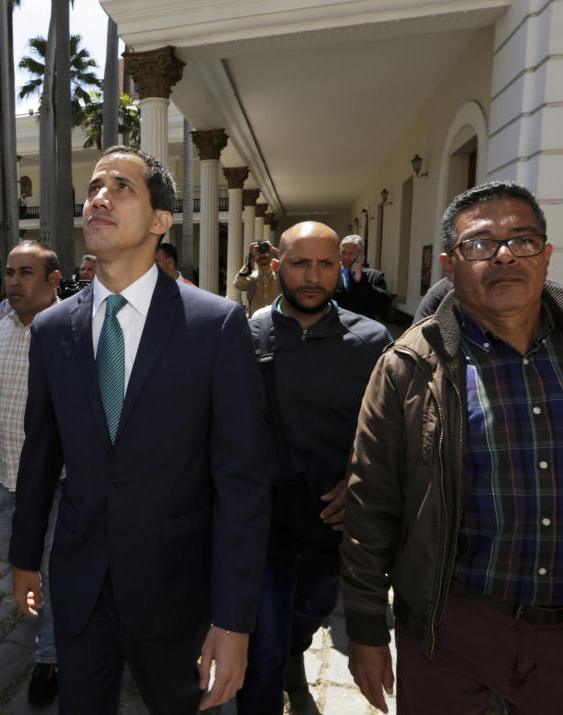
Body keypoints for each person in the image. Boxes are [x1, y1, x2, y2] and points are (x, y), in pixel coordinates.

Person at [9, 146, 272, 713]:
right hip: (79, 587)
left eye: (122, 187)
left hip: (175, 591)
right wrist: (25, 556)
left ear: (160, 221)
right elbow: (40, 452)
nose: (99, 197)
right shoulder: (54, 329)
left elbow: (242, 482)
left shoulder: (215, 325)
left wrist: (233, 620)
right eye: (94, 187)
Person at [342, 181, 563, 715]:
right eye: (481, 244)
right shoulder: (407, 366)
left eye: (523, 239)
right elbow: (371, 504)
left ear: (547, 254)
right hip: (452, 626)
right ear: (449, 265)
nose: (505, 254)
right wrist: (367, 628)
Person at [236, 222, 392, 715]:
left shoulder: (370, 341)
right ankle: (273, 674)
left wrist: (360, 483)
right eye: (301, 263)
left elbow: (390, 433)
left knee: (305, 617)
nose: (313, 276)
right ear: (277, 266)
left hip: (334, 526)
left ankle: (291, 661)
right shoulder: (245, 335)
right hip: (265, 524)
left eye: (326, 264)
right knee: (260, 646)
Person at [0, 240, 63, 707]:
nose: (13, 282)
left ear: (53, 280)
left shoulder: (74, 331)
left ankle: (50, 658)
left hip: (54, 484)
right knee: (12, 554)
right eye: (9, 272)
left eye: (26, 273)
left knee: (46, 567)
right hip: (6, 476)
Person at [333, 235, 392, 319]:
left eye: (350, 253)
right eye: (343, 252)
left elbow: (384, 305)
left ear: (360, 255)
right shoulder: (331, 274)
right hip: (335, 326)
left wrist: (362, 281)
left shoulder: (375, 276)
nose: (346, 257)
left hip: (364, 327)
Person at [234, 240, 280, 316]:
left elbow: (292, 272)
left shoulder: (279, 274)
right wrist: (250, 261)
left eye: (264, 251)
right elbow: (238, 284)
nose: (262, 255)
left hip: (277, 322)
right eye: (258, 252)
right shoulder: (251, 276)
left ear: (271, 253)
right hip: (256, 324)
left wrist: (275, 251)